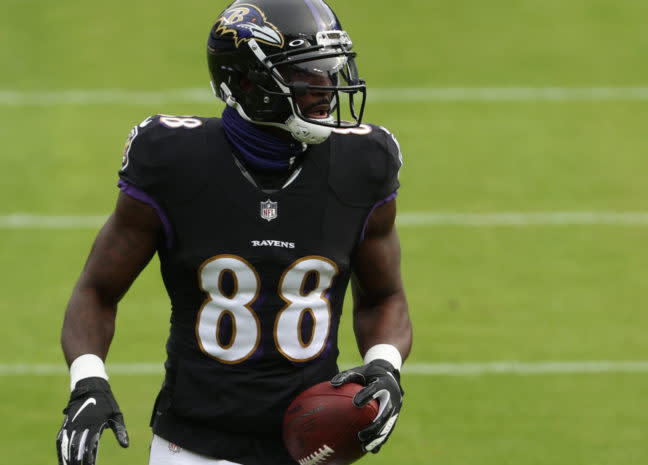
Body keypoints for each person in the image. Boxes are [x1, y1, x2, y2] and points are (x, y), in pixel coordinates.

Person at [55, 0, 412, 463]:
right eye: (308, 74)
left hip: (310, 444)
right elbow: (98, 290)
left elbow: (384, 295)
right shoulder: (172, 162)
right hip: (194, 445)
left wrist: (385, 365)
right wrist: (88, 381)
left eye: (332, 70)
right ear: (247, 81)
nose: (328, 89)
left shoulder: (363, 163)